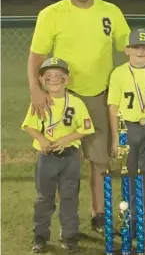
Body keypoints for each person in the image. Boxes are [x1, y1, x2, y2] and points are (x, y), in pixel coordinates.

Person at [27, 0, 131, 233]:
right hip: (62, 96)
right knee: (61, 159)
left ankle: (99, 214)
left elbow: (131, 50)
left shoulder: (111, 12)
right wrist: (36, 90)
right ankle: (65, 221)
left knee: (99, 160)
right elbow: (36, 57)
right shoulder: (51, 14)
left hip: (98, 94)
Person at [22, 58, 95, 253]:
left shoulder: (76, 103)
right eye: (49, 76)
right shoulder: (39, 102)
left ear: (67, 79)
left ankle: (69, 237)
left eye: (59, 76)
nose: (54, 79)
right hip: (47, 158)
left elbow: (85, 128)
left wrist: (65, 140)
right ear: (41, 80)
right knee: (44, 199)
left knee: (70, 198)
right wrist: (43, 140)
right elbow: (29, 126)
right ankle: (40, 237)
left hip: (70, 157)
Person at [107, 29, 145, 233]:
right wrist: (115, 137)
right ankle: (129, 219)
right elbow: (113, 106)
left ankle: (142, 221)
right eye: (136, 47)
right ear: (127, 50)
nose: (141, 51)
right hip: (127, 127)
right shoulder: (119, 73)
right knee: (128, 173)